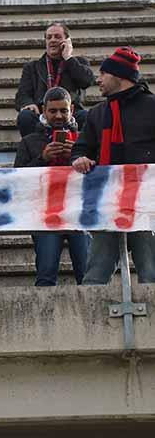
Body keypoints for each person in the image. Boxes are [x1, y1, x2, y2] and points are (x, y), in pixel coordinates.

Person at [72, 47, 155, 284]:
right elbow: (80, 148)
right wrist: (79, 159)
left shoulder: (152, 107)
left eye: (103, 74)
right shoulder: (98, 113)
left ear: (119, 76)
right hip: (107, 203)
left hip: (146, 205)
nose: (97, 80)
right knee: (97, 271)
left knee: (150, 270)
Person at [14, 86, 89, 286]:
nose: (58, 116)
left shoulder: (85, 139)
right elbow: (17, 180)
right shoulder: (29, 142)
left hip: (80, 213)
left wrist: (79, 155)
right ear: (44, 110)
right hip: (45, 215)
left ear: (72, 110)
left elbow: (99, 172)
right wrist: (43, 158)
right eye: (53, 111)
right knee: (46, 273)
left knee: (88, 273)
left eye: (63, 111)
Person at [16, 22, 95, 137]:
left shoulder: (78, 63)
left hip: (69, 112)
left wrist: (68, 58)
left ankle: (77, 152)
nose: (52, 40)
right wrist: (28, 104)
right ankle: (36, 152)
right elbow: (22, 95)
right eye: (49, 37)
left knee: (85, 116)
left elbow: (87, 81)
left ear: (67, 41)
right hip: (42, 113)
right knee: (25, 116)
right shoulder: (32, 67)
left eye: (57, 37)